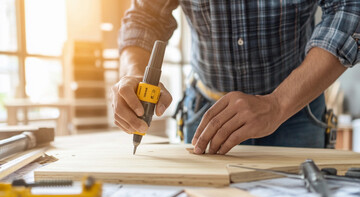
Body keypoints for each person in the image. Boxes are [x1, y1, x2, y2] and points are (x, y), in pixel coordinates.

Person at [112, 0, 360, 155]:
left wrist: (277, 104)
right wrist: (133, 73)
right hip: (206, 113)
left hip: (295, 109)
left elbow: (349, 7)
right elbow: (145, 17)